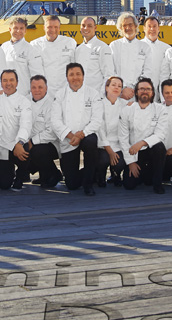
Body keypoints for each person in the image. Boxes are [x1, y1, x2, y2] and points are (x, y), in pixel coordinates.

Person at [52, 62, 102, 196]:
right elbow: (55, 120)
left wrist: (81, 134)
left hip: (86, 135)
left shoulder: (93, 93)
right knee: (72, 184)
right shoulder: (60, 94)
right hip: (68, 139)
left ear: (83, 76)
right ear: (67, 77)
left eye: (78, 74)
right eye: (71, 74)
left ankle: (88, 184)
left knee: (91, 143)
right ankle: (94, 172)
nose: (75, 77)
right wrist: (70, 135)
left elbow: (97, 119)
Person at [122, 78, 166, 193]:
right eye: (141, 89)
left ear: (152, 92)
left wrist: (141, 143)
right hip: (134, 153)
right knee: (129, 185)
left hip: (151, 151)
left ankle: (158, 184)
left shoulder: (161, 109)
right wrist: (131, 162)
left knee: (160, 147)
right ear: (136, 92)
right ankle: (143, 176)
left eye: (148, 89)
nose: (145, 91)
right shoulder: (127, 110)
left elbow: (160, 134)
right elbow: (123, 138)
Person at [0, 69, 34, 191]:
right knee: (4, 185)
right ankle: (7, 170)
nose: (8, 83)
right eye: (4, 80)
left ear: (17, 82)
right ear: (0, 83)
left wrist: (19, 142)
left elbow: (26, 125)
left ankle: (20, 176)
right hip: (2, 147)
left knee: (27, 149)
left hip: (17, 145)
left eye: (11, 80)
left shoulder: (24, 102)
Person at [33, 14, 77, 97]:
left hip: (65, 90)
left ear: (59, 28)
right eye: (49, 27)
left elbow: (73, 67)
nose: (53, 30)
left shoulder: (70, 42)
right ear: (44, 28)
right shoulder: (35, 45)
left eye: (56, 27)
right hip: (44, 91)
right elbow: (35, 69)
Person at [95, 76, 127, 186]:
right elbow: (100, 129)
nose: (116, 88)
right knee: (103, 159)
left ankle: (116, 174)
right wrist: (110, 152)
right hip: (102, 143)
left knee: (120, 162)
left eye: (119, 86)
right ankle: (100, 176)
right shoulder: (99, 104)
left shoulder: (125, 105)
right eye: (113, 85)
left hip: (118, 143)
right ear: (107, 87)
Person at [111, 13, 149, 101]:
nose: (128, 28)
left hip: (137, 94)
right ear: (120, 28)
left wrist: (135, 88)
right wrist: (122, 88)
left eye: (130, 25)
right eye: (124, 25)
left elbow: (147, 71)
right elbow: (111, 70)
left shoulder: (145, 47)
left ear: (136, 26)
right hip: (118, 94)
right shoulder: (114, 46)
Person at [73, 16, 114, 95]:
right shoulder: (78, 50)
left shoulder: (103, 47)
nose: (86, 28)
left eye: (89, 26)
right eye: (83, 26)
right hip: (79, 95)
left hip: (96, 95)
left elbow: (108, 75)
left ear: (95, 28)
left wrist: (101, 95)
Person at [0, 17, 36, 94]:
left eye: (21, 28)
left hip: (23, 93)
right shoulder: (4, 47)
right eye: (15, 28)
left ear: (25, 31)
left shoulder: (30, 49)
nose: (18, 31)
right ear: (10, 30)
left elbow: (36, 74)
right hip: (5, 93)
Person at [141, 16, 172, 100]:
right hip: (141, 93)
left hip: (161, 94)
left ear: (159, 29)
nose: (152, 29)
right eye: (149, 26)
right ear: (144, 28)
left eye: (155, 26)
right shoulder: (137, 46)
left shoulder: (167, 48)